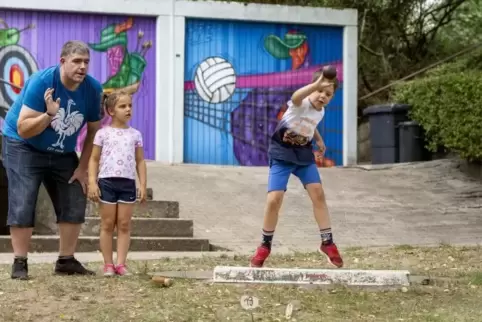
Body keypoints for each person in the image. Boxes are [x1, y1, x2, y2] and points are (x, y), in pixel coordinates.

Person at [1, 40, 103, 279]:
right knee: (24, 199)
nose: (82, 67)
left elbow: (94, 130)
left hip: (61, 150)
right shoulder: (42, 81)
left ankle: (66, 261)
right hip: (22, 144)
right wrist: (49, 115)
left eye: (86, 62)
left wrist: (83, 168)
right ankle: (20, 263)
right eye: (77, 61)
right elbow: (24, 128)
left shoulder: (92, 89)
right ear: (63, 61)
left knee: (74, 196)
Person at [250, 68, 344, 268]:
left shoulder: (321, 111)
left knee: (318, 193)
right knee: (274, 199)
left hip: (303, 154)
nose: (323, 96)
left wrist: (319, 140)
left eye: (328, 94)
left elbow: (310, 124)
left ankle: (327, 243)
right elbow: (296, 96)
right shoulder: (300, 103)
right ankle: (265, 245)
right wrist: (317, 85)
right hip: (281, 153)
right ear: (312, 88)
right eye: (320, 91)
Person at [87, 90, 147, 277]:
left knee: (124, 224)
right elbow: (94, 159)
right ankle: (108, 265)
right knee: (107, 224)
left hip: (127, 184)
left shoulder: (135, 135)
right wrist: (92, 182)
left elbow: (140, 161)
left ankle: (121, 264)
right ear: (111, 111)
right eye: (123, 106)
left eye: (130, 105)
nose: (128, 109)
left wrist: (142, 185)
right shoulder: (102, 134)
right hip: (106, 183)